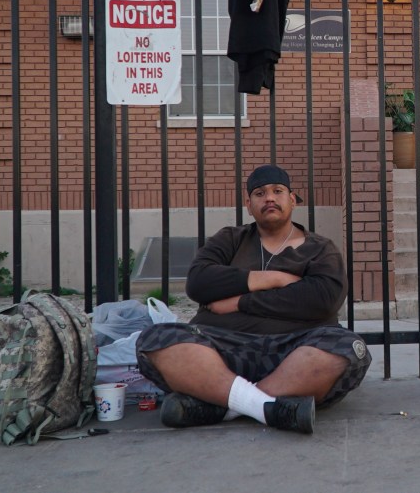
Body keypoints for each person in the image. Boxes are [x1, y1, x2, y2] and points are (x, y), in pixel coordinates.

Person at [136, 164, 371, 434]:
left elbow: (322, 299)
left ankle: (222, 406)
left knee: (348, 348)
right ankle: (269, 408)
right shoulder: (230, 239)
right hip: (221, 350)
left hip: (294, 352)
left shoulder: (319, 248)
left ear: (292, 200)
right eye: (259, 193)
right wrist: (273, 279)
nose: (269, 198)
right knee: (155, 340)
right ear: (249, 205)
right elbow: (199, 282)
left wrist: (239, 302)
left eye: (277, 191)